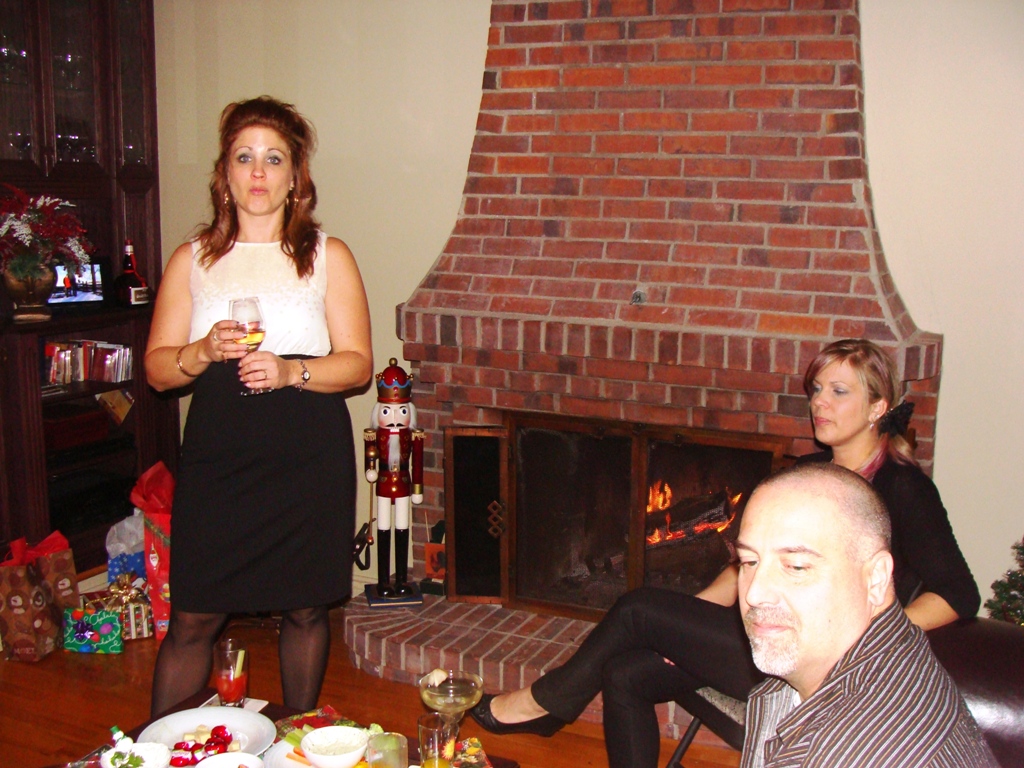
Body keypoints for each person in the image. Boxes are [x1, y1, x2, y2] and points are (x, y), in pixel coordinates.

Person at [470, 338, 979, 768]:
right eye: (816, 389)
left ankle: (543, 704)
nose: (819, 403)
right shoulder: (808, 474)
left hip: (816, 656)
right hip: (763, 634)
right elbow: (744, 567)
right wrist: (682, 627)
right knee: (624, 674)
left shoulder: (904, 489)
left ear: (877, 407)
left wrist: (866, 637)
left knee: (637, 608)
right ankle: (554, 703)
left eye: (838, 391)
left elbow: (959, 592)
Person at [144, 96, 372, 716]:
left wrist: (292, 369)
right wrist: (200, 350)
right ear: (225, 173)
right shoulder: (193, 260)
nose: (258, 172)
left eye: (274, 159)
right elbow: (158, 371)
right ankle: (159, 747)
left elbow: (358, 364)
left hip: (307, 451)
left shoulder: (327, 255)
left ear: (296, 176)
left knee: (305, 608)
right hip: (220, 455)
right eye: (244, 157)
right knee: (193, 615)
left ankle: (297, 732)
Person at [737, 461, 995, 767]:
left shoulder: (869, 752)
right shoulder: (873, 656)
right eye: (749, 561)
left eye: (796, 566)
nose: (755, 594)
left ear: (876, 579)